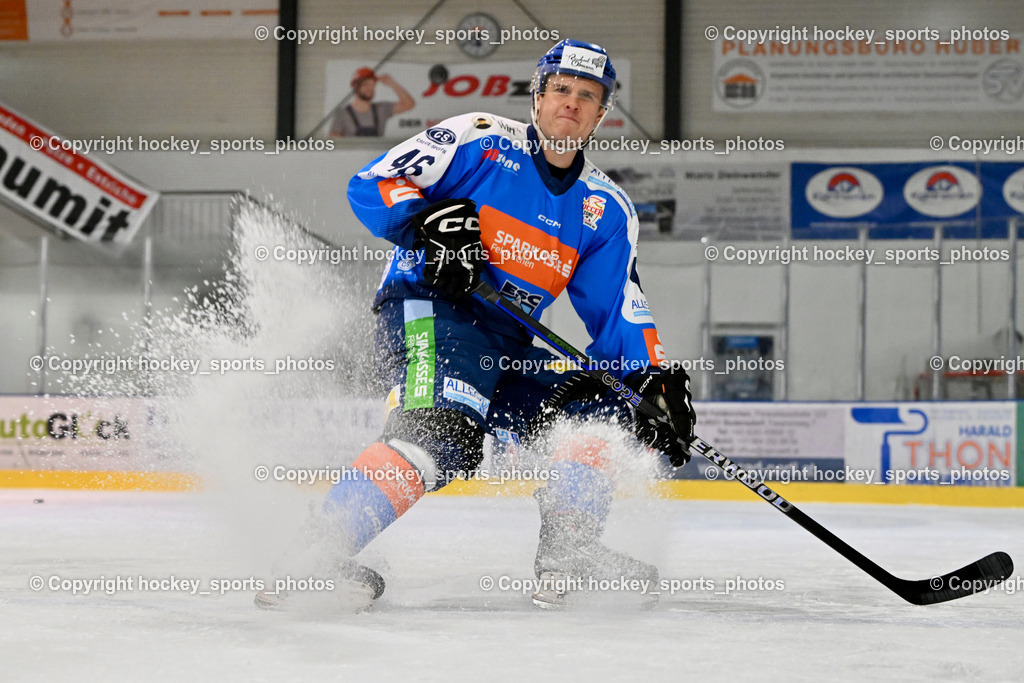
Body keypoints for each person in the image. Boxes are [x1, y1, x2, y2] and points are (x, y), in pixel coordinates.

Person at [258, 39, 695, 611]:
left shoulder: (606, 209)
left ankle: (569, 554)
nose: (572, 102)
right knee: (440, 430)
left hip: (506, 341)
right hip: (429, 309)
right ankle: (311, 556)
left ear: (600, 114)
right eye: (560, 89)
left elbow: (618, 309)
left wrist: (649, 378)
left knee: (603, 410)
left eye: (587, 96)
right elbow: (372, 184)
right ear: (536, 97)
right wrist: (423, 225)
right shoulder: (479, 139)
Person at [329, 67, 415, 137]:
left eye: (372, 85)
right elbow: (335, 143)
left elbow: (409, 104)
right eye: (366, 84)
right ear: (355, 86)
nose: (370, 88)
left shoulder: (381, 109)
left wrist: (392, 83)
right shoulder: (342, 114)